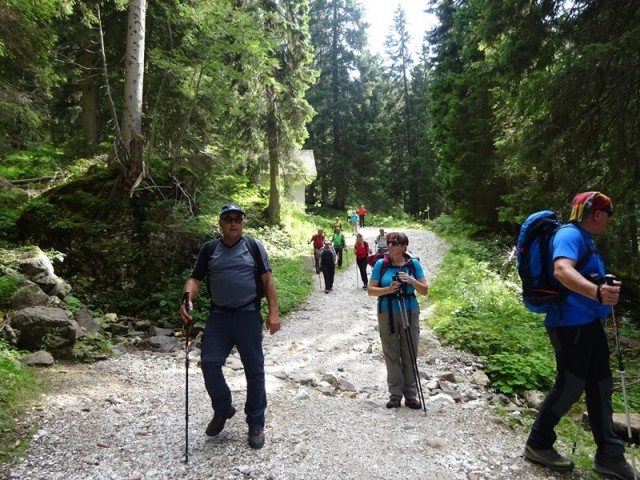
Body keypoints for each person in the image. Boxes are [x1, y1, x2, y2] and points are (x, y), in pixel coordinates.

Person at [523, 192, 638, 479]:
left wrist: (601, 286)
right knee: (570, 386)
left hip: (588, 324)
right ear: (597, 213)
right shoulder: (569, 235)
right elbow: (562, 270)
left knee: (601, 386)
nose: (609, 219)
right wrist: (597, 292)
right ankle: (538, 443)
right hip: (569, 323)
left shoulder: (584, 239)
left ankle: (609, 455)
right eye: (608, 213)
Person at [179, 204, 280, 450]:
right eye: (228, 218)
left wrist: (273, 312)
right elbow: (195, 279)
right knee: (210, 362)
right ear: (221, 223)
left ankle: (256, 423)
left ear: (243, 222)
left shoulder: (253, 247)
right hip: (220, 317)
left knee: (254, 370)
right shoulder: (209, 249)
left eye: (237, 218)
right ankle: (223, 408)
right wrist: (186, 298)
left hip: (248, 315)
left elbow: (267, 279)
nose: (233, 222)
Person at [367, 232, 428, 409]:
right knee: (391, 352)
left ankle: (411, 394)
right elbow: (371, 290)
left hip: (410, 310)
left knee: (410, 351)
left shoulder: (413, 264)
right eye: (389, 242)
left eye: (395, 243)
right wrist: (388, 289)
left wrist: (410, 280)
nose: (390, 245)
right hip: (387, 312)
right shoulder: (381, 264)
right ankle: (395, 395)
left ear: (404, 246)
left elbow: (424, 290)